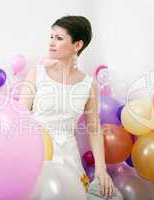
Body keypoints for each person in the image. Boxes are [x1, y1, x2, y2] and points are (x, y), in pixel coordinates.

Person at [19, 15, 116, 199]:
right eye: (51, 37)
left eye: (59, 38)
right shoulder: (37, 73)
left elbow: (94, 129)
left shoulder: (89, 85)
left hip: (68, 158)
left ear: (77, 45)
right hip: (37, 154)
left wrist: (101, 170)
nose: (51, 43)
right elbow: (20, 117)